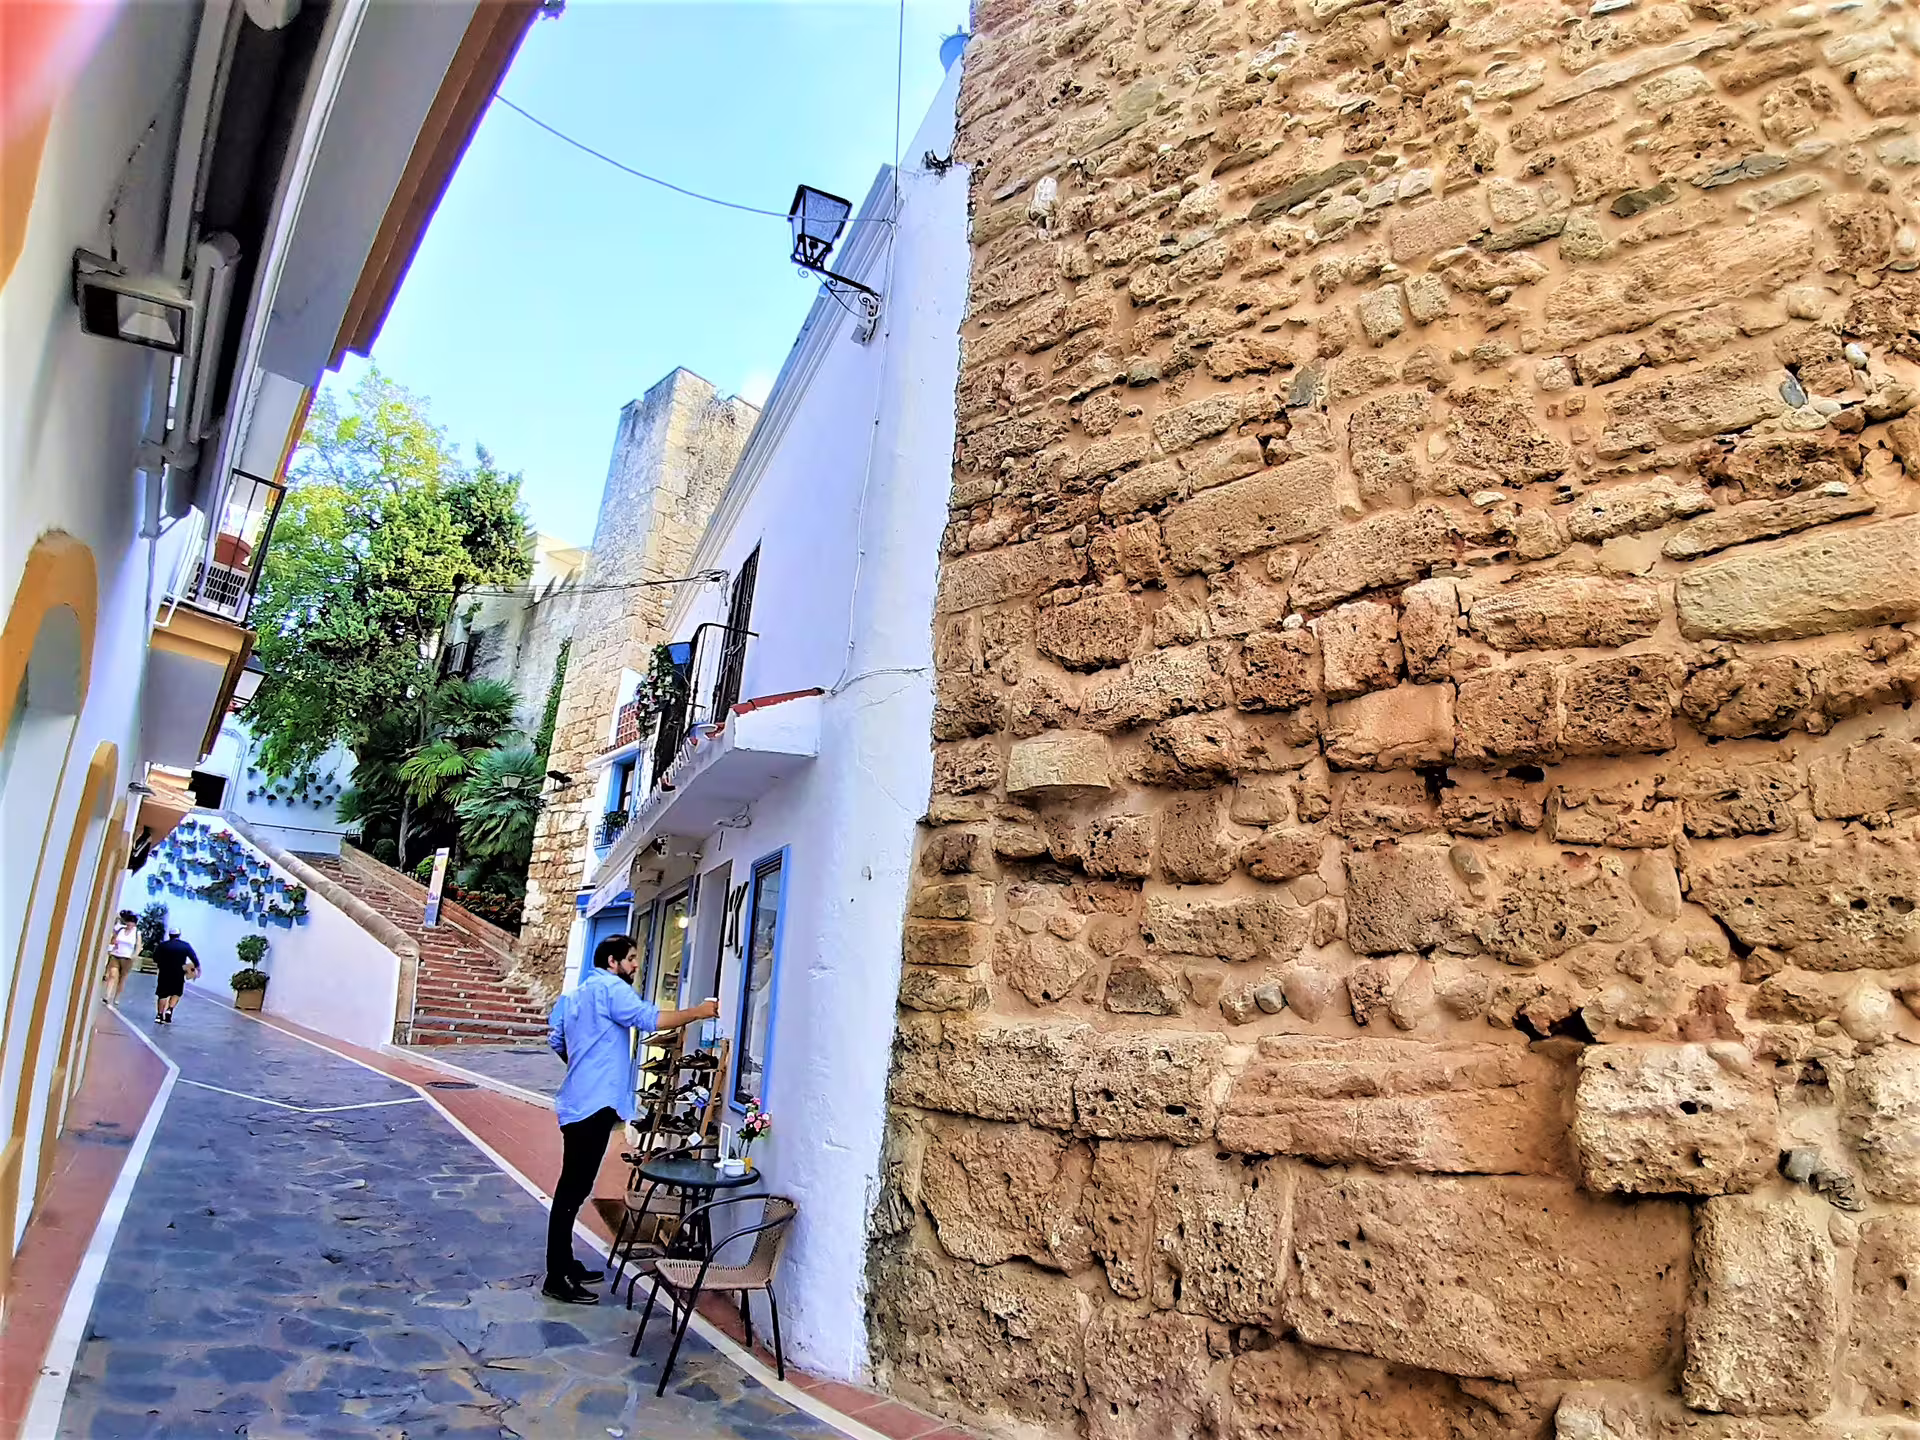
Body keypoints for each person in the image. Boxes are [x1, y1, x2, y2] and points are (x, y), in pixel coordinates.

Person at [542, 933, 717, 1305]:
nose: (636, 965)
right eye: (632, 958)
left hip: (578, 1101)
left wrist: (582, 1068)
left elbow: (556, 1040)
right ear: (612, 961)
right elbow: (650, 1019)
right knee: (572, 1189)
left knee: (574, 1187)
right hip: (595, 1103)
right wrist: (699, 1013)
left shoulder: (573, 995)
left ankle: (566, 1263)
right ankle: (556, 1276)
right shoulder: (611, 990)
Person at [151, 926, 198, 1024]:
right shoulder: (185, 946)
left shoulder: (163, 945)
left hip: (164, 973)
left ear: (169, 935)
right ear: (179, 935)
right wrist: (197, 967)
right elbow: (193, 957)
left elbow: (155, 958)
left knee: (162, 994)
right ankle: (170, 1010)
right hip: (179, 973)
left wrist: (161, 963)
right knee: (176, 993)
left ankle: (159, 1015)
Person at [104, 910, 138, 1009]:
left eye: (132, 922)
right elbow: (113, 941)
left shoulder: (136, 933)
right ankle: (107, 995)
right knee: (113, 975)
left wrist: (134, 955)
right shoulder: (120, 930)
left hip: (127, 958)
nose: (129, 924)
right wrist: (111, 948)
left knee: (122, 979)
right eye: (128, 921)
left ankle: (117, 997)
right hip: (116, 955)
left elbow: (138, 945)